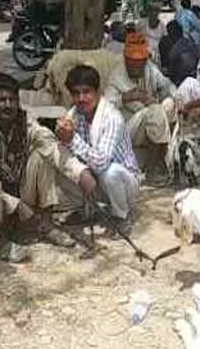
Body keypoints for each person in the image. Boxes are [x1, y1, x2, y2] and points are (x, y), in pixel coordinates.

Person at [0, 74, 78, 262]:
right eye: (1, 100)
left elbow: (48, 143)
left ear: (18, 102)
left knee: (43, 154)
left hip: (19, 195)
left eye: (12, 100)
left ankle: (46, 225)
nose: (7, 105)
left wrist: (77, 169)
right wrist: (15, 204)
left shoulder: (25, 122)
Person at [55, 65, 141, 234]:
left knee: (111, 172)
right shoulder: (74, 114)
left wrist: (71, 139)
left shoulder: (112, 117)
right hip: (95, 180)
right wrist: (63, 137)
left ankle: (121, 217)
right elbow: (67, 151)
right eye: (76, 93)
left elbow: (101, 163)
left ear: (97, 92)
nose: (81, 98)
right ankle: (88, 210)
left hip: (124, 184)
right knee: (58, 158)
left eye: (86, 92)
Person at [105, 31, 177, 180]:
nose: (137, 68)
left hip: (151, 120)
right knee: (155, 111)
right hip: (127, 127)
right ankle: (153, 168)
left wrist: (159, 98)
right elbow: (105, 107)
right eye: (133, 64)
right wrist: (125, 97)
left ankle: (162, 157)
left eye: (141, 63)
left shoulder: (150, 69)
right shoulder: (116, 75)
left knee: (169, 104)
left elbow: (168, 86)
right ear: (125, 59)